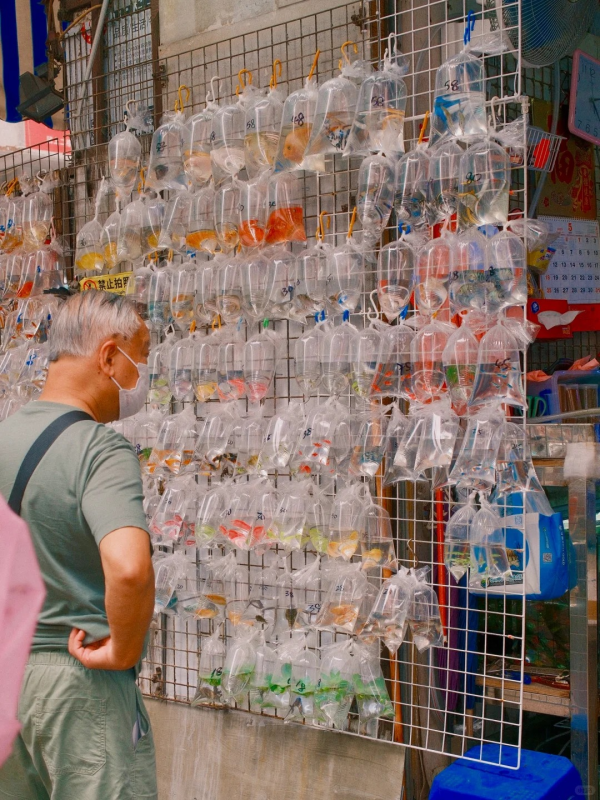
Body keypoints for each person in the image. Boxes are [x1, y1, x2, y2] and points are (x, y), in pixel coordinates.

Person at [0, 290, 157, 800]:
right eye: (141, 359)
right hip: (79, 683)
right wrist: (123, 649)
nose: (142, 380)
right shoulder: (99, 448)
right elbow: (129, 568)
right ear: (109, 356)